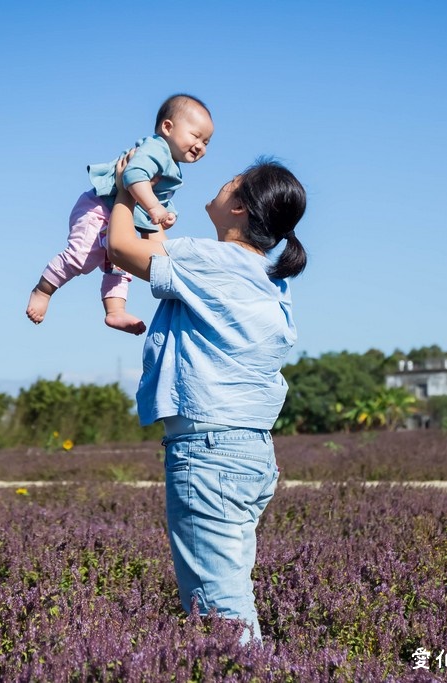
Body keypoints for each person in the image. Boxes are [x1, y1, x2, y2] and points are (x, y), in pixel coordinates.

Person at [105, 152, 307, 644]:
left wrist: (119, 188)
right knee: (231, 598)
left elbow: (119, 247)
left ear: (240, 207)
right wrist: (150, 200)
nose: (219, 187)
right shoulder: (266, 278)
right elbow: (157, 245)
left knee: (219, 614)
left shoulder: (210, 259)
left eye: (230, 183)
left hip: (209, 454)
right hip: (249, 454)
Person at [25, 94, 214, 334]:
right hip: (98, 207)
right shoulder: (156, 148)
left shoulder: (172, 165)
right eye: (196, 136)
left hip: (116, 214)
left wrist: (167, 213)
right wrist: (154, 207)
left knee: (120, 265)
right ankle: (43, 290)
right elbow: (133, 175)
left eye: (207, 142)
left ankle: (115, 311)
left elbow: (161, 196)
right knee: (81, 257)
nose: (201, 146)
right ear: (168, 127)